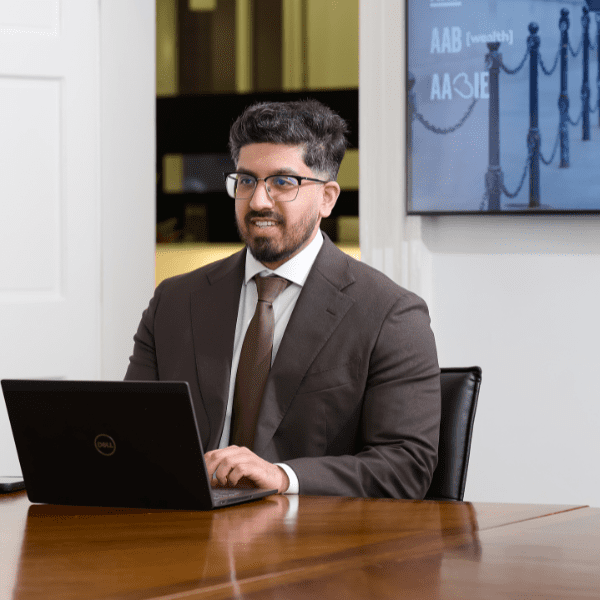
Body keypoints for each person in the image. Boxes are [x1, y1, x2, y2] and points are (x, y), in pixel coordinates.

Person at [125, 99, 441, 498]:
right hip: (181, 537)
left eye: (282, 182)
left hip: (310, 543)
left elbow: (406, 467)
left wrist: (282, 477)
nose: (258, 201)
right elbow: (134, 439)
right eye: (246, 180)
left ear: (327, 198)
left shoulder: (391, 315)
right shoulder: (173, 302)